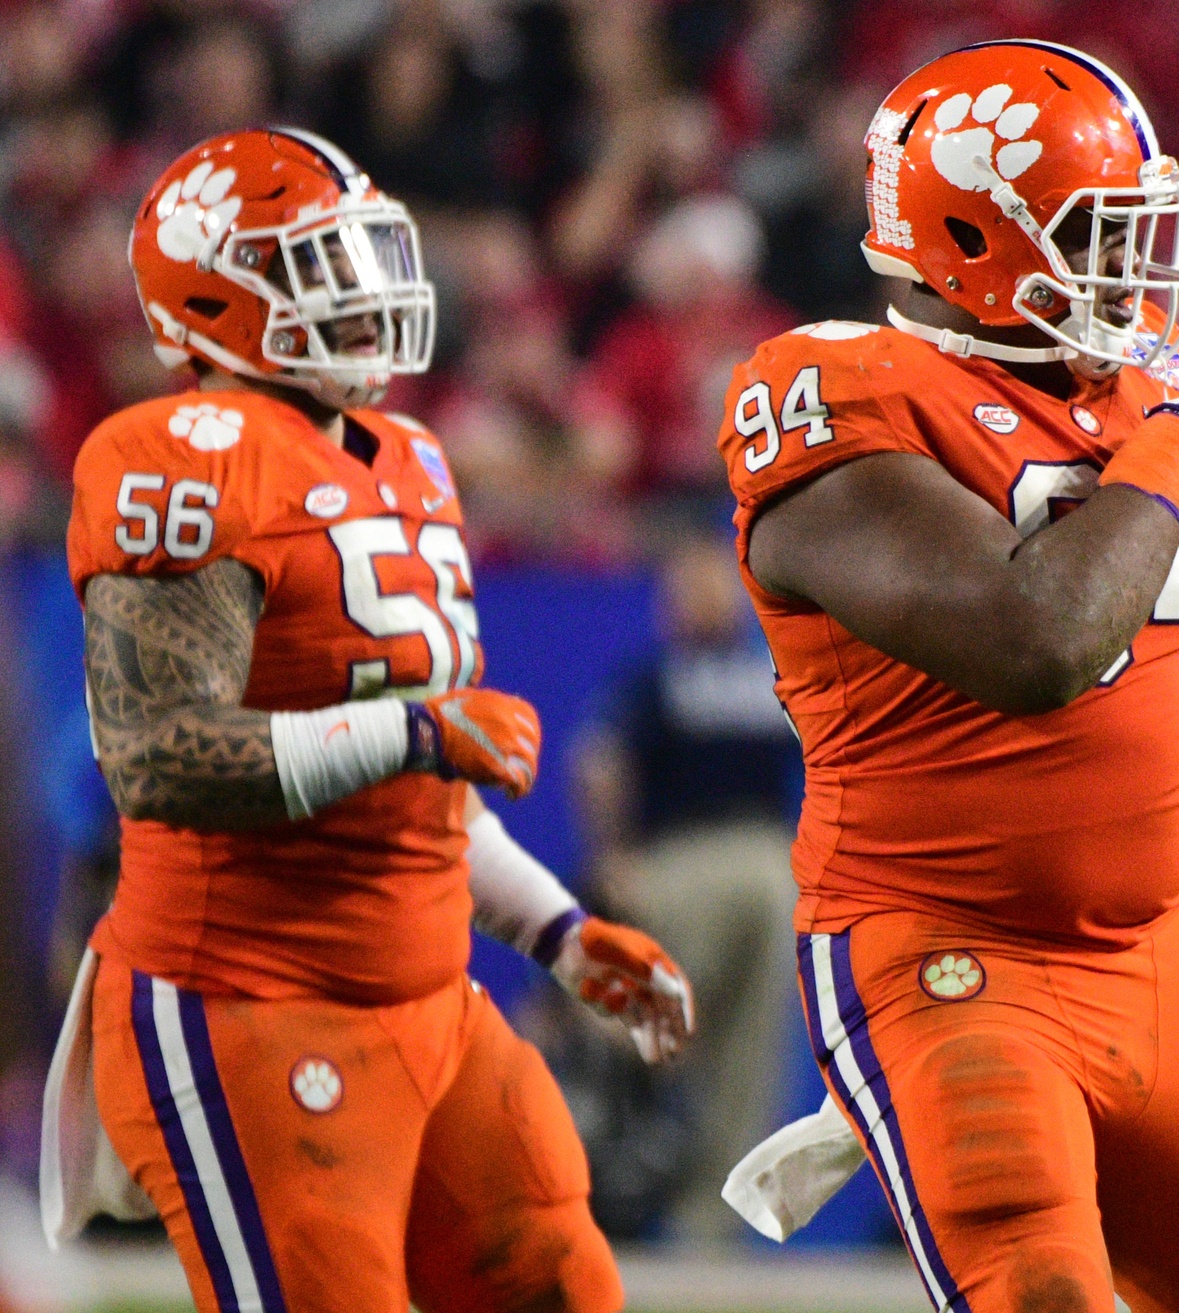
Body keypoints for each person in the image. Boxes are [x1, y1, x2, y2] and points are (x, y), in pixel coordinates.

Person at [716, 42, 1179, 1313]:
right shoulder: (832, 390)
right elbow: (1038, 644)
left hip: (1155, 947)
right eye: (1093, 231)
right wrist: (1178, 447)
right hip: (949, 954)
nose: (1131, 269)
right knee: (1042, 1287)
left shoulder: (1150, 381)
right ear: (968, 233)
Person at [45, 128, 693, 1313]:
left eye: (360, 258)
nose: (359, 295)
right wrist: (412, 730)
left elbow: (420, 791)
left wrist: (557, 929)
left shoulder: (413, 456)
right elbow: (158, 757)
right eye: (312, 268)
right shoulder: (179, 454)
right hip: (244, 1003)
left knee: (562, 1284)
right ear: (213, 295)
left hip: (429, 996)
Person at [574, 529, 801, 1238]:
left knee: (750, 1043)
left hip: (766, 857)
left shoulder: (772, 670)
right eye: (686, 584)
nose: (700, 596)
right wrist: (613, 855)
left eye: (710, 581)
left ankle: (713, 1223)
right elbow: (598, 761)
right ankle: (606, 1158)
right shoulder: (655, 677)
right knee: (631, 1022)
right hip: (674, 864)